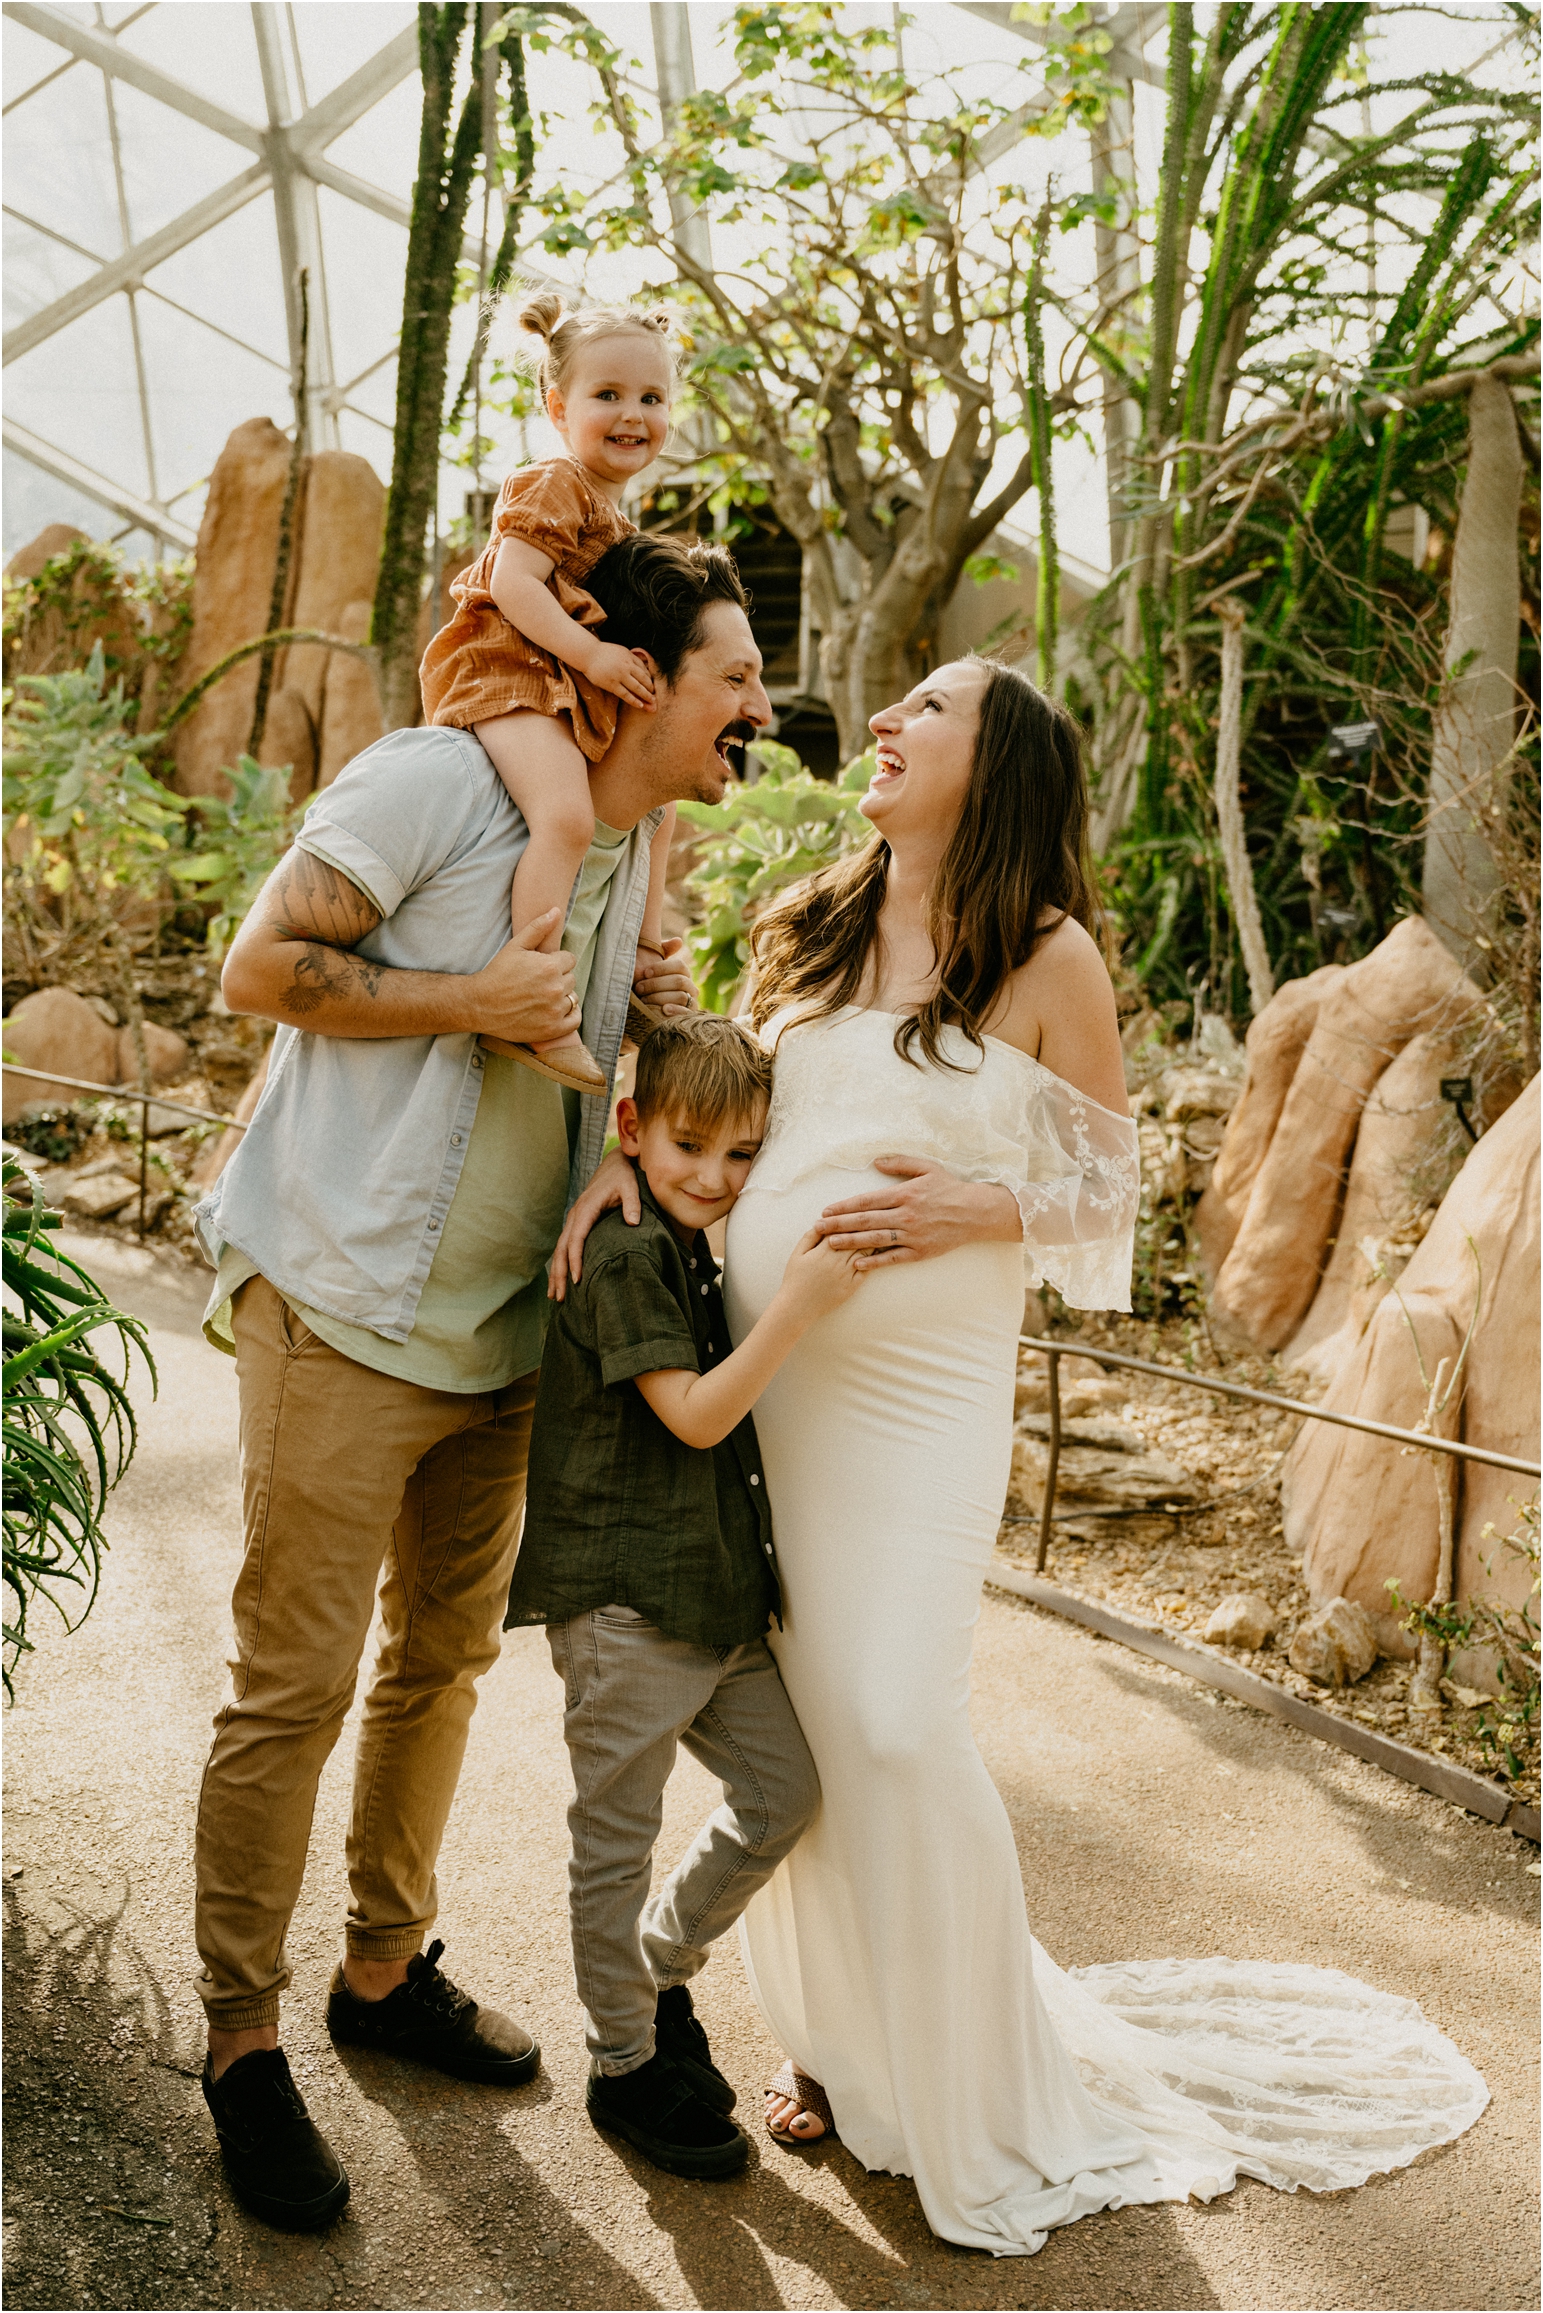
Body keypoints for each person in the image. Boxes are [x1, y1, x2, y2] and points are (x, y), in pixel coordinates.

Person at [554, 656, 1489, 2257]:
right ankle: (843, 2054)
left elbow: (1109, 1200)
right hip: (776, 1392)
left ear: (991, 773)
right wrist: (611, 1178)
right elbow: (710, 1104)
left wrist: (966, 1208)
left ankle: (978, 2074)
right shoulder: (809, 923)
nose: (889, 724)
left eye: (928, 710)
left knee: (900, 1724)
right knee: (818, 1733)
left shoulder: (1046, 958)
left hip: (917, 1399)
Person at [190, 532, 772, 2234]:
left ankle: (381, 1968)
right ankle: (240, 2035)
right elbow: (257, 968)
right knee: (290, 1679)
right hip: (344, 1304)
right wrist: (462, 996)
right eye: (736, 676)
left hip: (509, 1333)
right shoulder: (440, 779)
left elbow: (623, 1058)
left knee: (438, 1661)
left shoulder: (641, 846)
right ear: (643, 681)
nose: (758, 706)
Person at [509, 1012, 862, 2180]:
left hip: (709, 1592)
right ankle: (622, 2064)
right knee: (613, 1840)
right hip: (624, 1602)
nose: (714, 1177)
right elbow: (699, 1413)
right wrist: (803, 1304)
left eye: (740, 1154)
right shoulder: (620, 1252)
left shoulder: (682, 1230)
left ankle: (657, 1973)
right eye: (688, 1149)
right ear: (634, 1133)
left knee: (782, 1792)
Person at [420, 292, 683, 1094]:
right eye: (608, 395)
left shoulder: (620, 519)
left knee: (660, 803)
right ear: (557, 404)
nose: (632, 413)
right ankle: (531, 1002)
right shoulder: (553, 481)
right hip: (508, 670)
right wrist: (593, 658)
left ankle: (643, 946)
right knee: (565, 817)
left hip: (562, 680)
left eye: (652, 397)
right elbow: (513, 581)